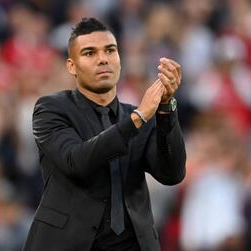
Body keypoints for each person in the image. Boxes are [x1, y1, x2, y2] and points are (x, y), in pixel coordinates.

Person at [23, 17, 186, 251]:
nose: (103, 59)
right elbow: (75, 161)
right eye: (89, 53)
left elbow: (172, 174)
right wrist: (138, 118)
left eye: (110, 50)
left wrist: (166, 107)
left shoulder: (141, 115)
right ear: (71, 66)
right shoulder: (51, 108)